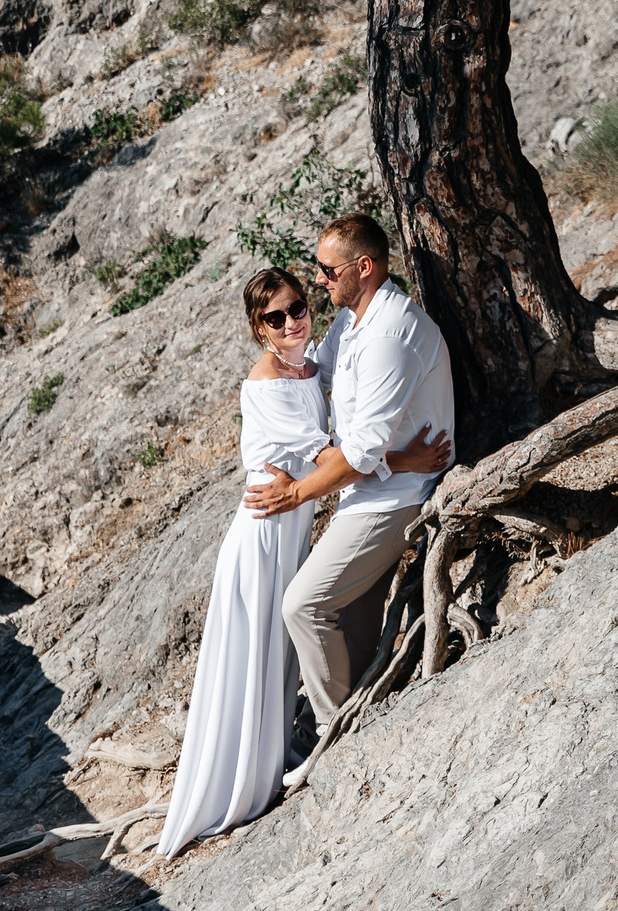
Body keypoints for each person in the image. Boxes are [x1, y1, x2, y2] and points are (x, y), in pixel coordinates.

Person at [157, 264, 449, 858]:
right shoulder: (266, 385)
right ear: (258, 328)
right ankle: (244, 779)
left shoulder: (312, 361)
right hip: (264, 531)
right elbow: (331, 459)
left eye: (297, 307)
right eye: (276, 317)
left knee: (278, 650)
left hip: (291, 527)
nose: (292, 321)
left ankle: (272, 758)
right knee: (258, 650)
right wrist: (407, 461)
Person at [257, 213, 456, 787]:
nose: (319, 280)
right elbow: (317, 381)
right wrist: (270, 361)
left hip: (396, 498)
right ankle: (357, 714)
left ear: (363, 267)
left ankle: (330, 735)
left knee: (303, 605)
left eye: (327, 269)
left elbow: (363, 449)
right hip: (369, 488)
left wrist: (296, 492)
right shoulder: (351, 322)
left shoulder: (391, 336)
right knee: (349, 624)